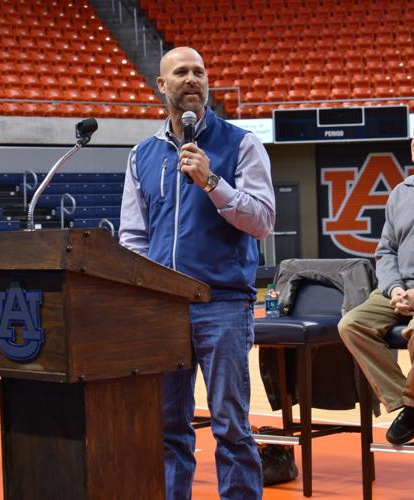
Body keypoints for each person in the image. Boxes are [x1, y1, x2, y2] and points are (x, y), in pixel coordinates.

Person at [118, 47, 275, 500]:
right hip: (163, 309)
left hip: (221, 303)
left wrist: (211, 182)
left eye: (199, 72)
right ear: (161, 86)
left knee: (231, 425)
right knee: (167, 426)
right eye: (180, 72)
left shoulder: (241, 144)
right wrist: (143, 298)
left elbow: (263, 220)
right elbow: (133, 236)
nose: (192, 79)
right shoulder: (141, 155)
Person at [337, 115, 414, 448]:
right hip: (398, 288)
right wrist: (396, 289)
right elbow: (385, 250)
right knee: (351, 325)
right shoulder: (399, 192)